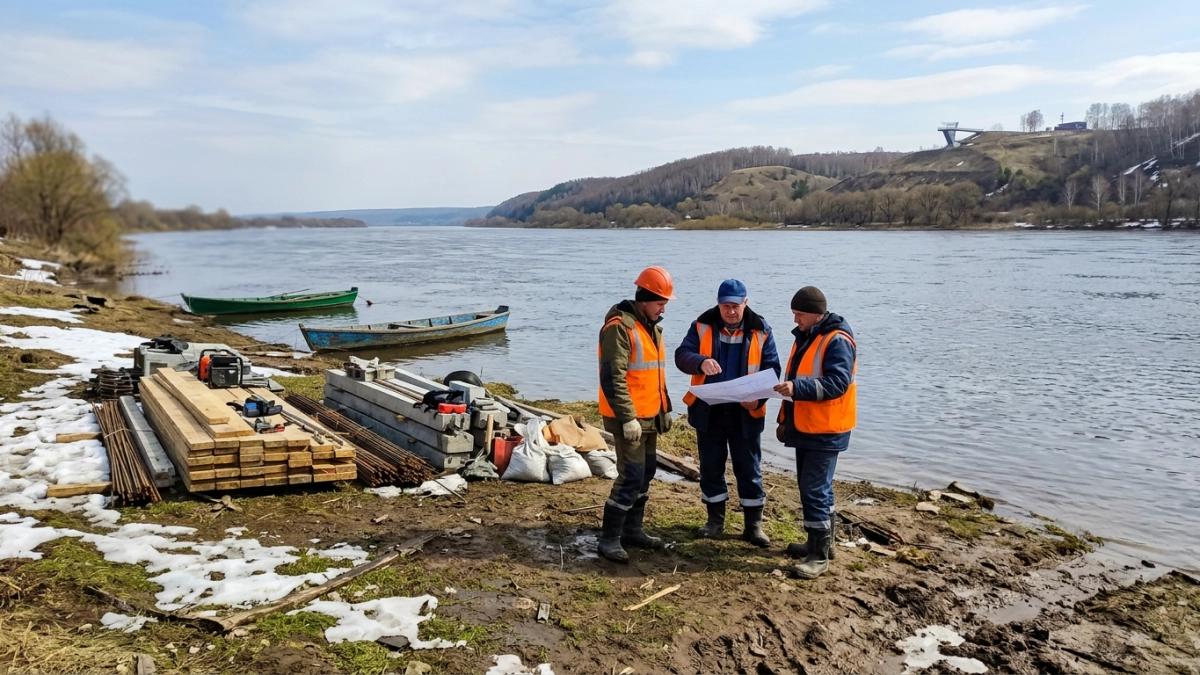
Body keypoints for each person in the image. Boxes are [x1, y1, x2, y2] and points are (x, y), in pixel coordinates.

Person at [675, 279, 780, 546]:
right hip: (709, 411)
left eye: (735, 306)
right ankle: (715, 521)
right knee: (711, 467)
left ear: (746, 303)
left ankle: (753, 527)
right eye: (725, 306)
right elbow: (681, 355)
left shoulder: (762, 329)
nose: (730, 311)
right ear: (718, 304)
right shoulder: (701, 325)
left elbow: (772, 369)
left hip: (746, 412)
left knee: (749, 468)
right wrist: (700, 362)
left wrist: (757, 401)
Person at [772, 286, 857, 579]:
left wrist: (797, 389)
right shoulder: (809, 335)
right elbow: (796, 378)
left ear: (817, 314)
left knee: (814, 489)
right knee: (818, 488)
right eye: (794, 313)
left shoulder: (837, 340)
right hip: (808, 425)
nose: (795, 319)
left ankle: (818, 557)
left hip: (826, 429)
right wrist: (784, 420)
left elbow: (838, 383)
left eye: (799, 314)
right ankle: (822, 545)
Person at [596, 266, 676, 563]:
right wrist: (627, 417)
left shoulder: (649, 326)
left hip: (649, 416)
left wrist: (663, 411)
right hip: (629, 418)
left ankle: (633, 529)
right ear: (645, 299)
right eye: (661, 303)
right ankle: (609, 539)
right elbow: (612, 377)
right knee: (631, 477)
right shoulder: (619, 328)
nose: (663, 309)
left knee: (646, 472)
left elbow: (653, 376)